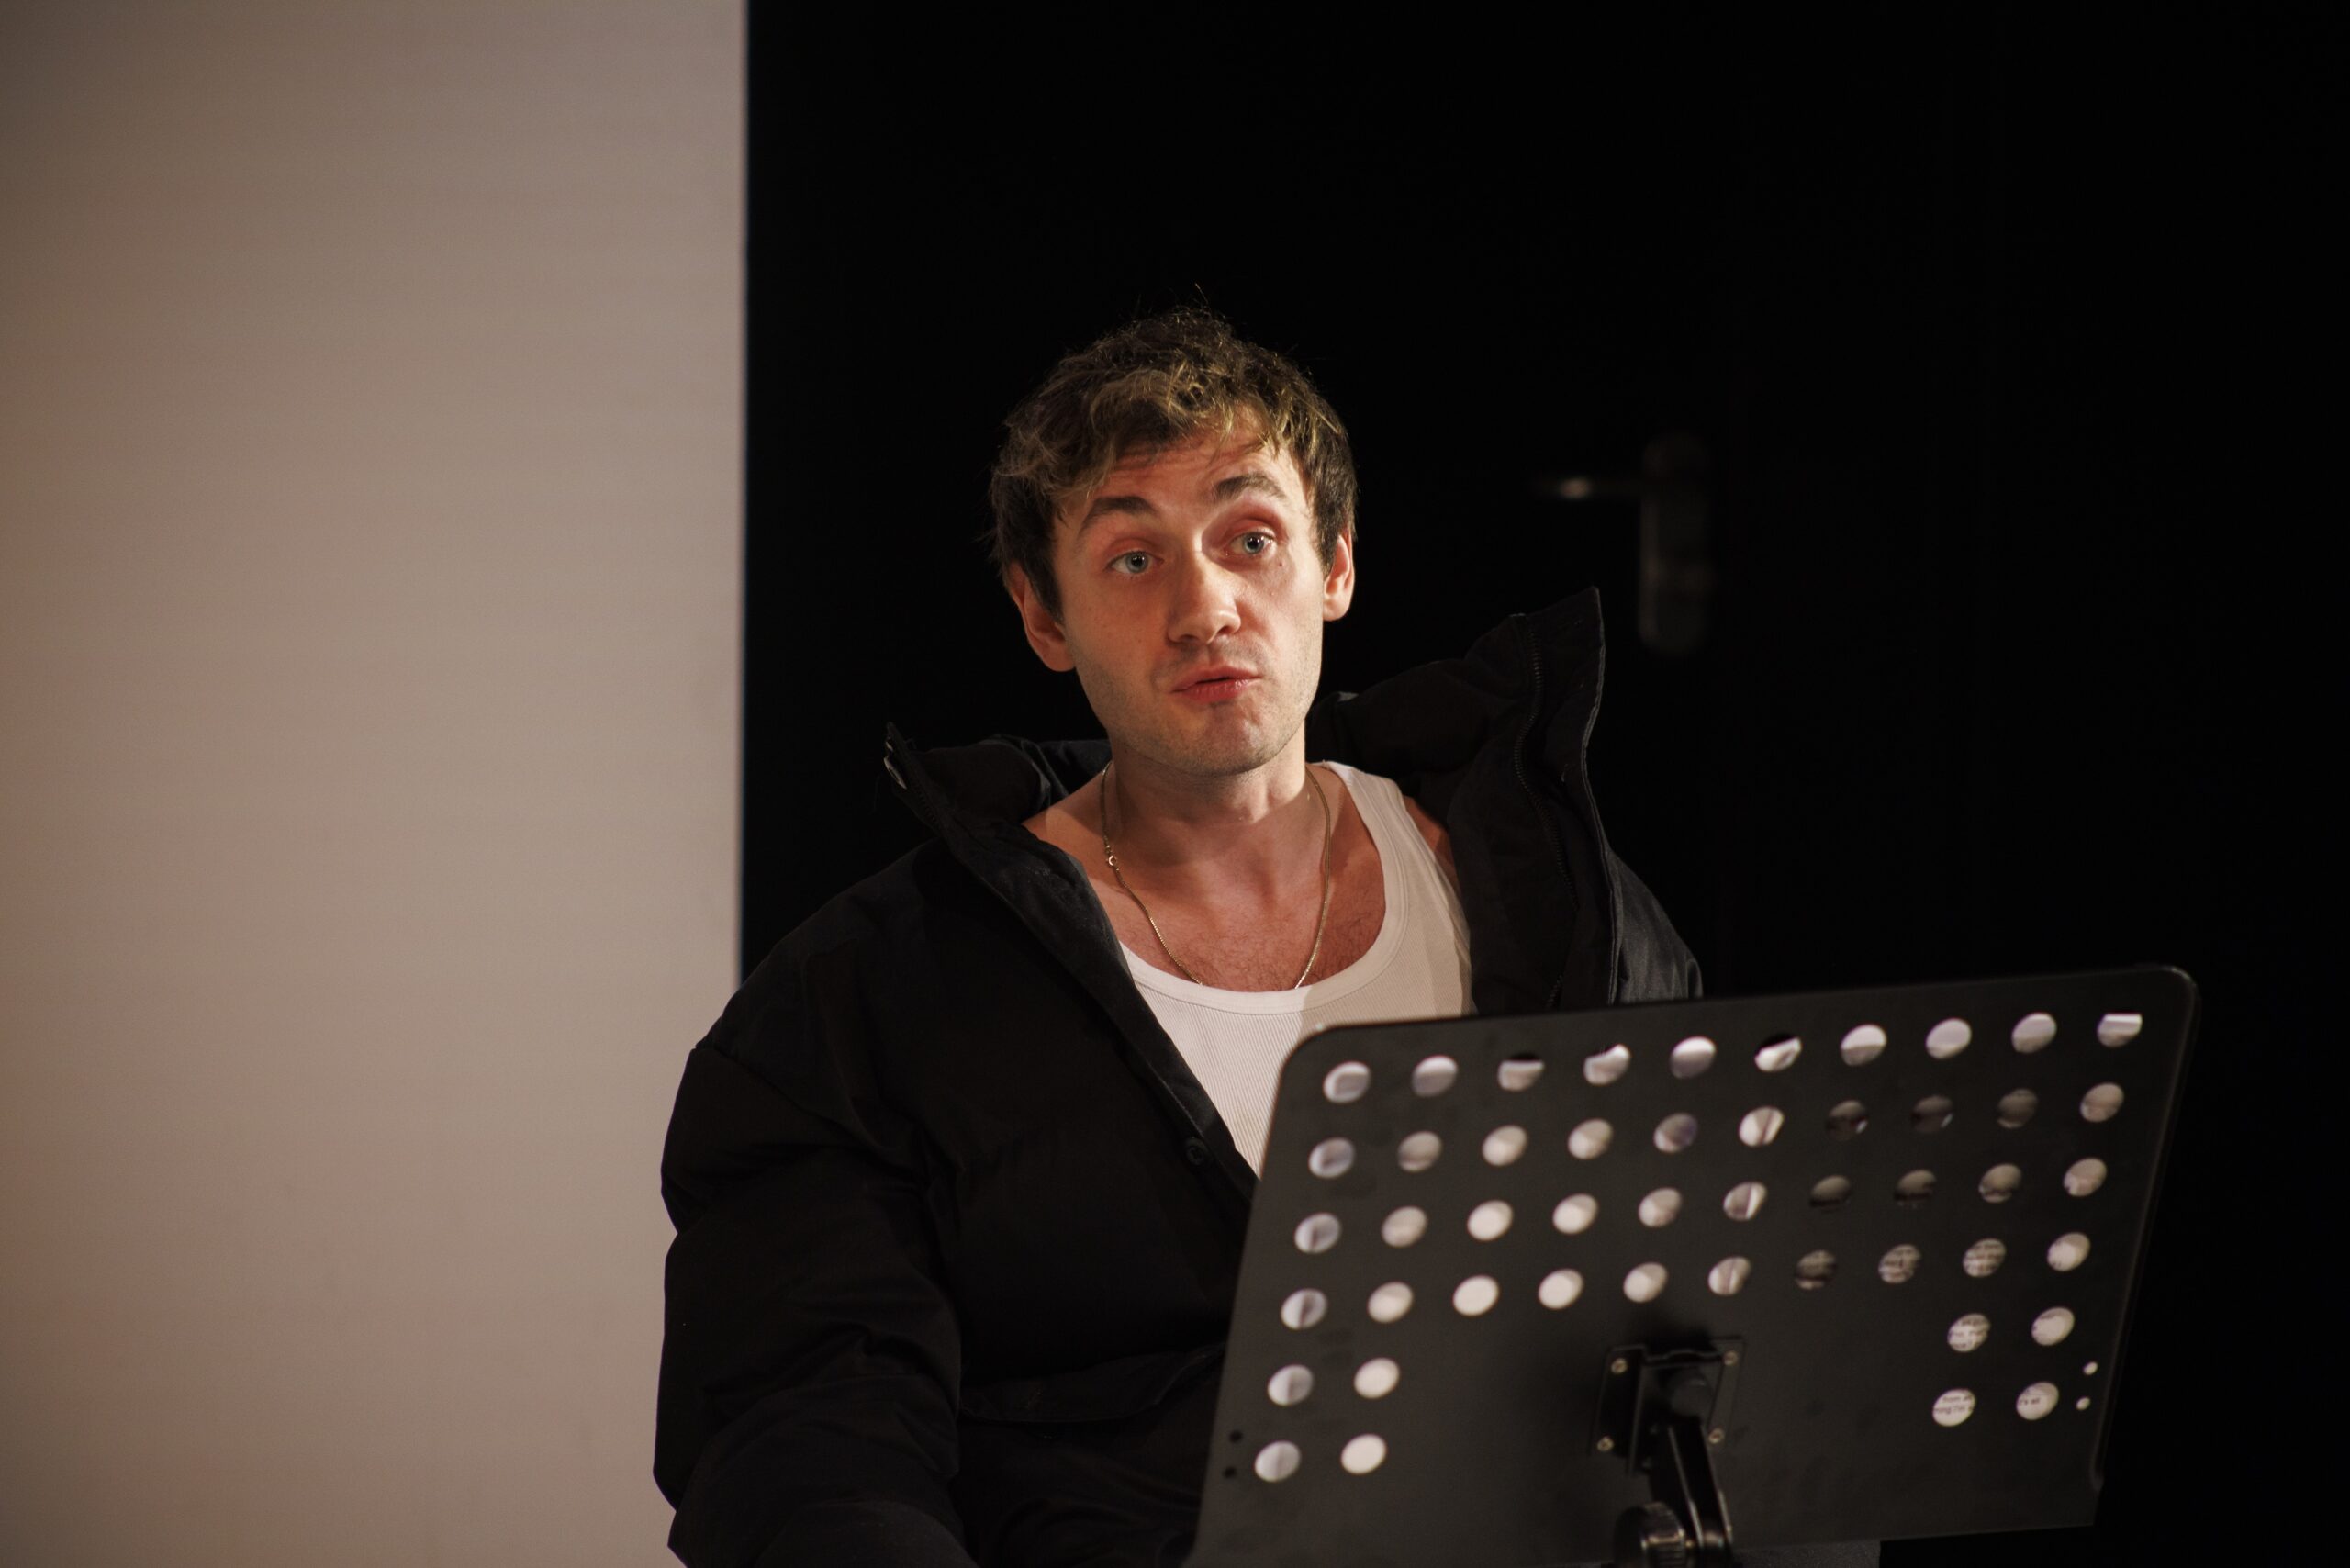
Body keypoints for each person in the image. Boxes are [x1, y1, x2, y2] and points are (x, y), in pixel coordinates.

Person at [654, 310, 1759, 1567]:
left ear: (1335, 565)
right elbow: (806, 1436)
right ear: (1043, 617)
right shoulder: (872, 992)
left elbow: (1726, 1348)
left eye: (1252, 539)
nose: (1205, 607)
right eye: (1133, 559)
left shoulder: (1563, 910)